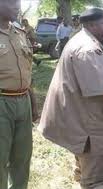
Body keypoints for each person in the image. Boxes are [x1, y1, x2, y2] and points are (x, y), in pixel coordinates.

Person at [38, 8, 103, 189]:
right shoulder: (87, 48)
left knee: (84, 144)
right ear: (91, 25)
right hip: (93, 116)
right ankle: (92, 182)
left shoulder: (84, 40)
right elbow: (102, 86)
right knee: (96, 146)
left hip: (83, 110)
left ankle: (81, 172)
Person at [0, 0, 33, 188]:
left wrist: (33, 102)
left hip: (23, 100)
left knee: (22, 156)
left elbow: (27, 68)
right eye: (12, 2)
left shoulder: (19, 33)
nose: (18, 6)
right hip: (2, 102)